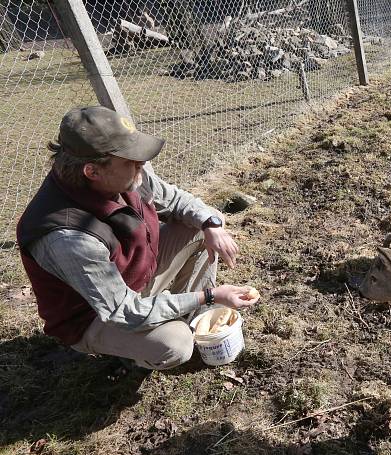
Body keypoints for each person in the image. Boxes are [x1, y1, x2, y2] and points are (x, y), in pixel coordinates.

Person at [16, 106, 259, 370]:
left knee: (204, 222)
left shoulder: (124, 176)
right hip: (96, 315)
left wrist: (211, 224)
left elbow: (177, 200)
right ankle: (138, 349)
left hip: (133, 280)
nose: (141, 163)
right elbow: (123, 311)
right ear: (92, 171)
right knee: (174, 344)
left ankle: (195, 321)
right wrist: (209, 295)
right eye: (130, 159)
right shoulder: (68, 236)